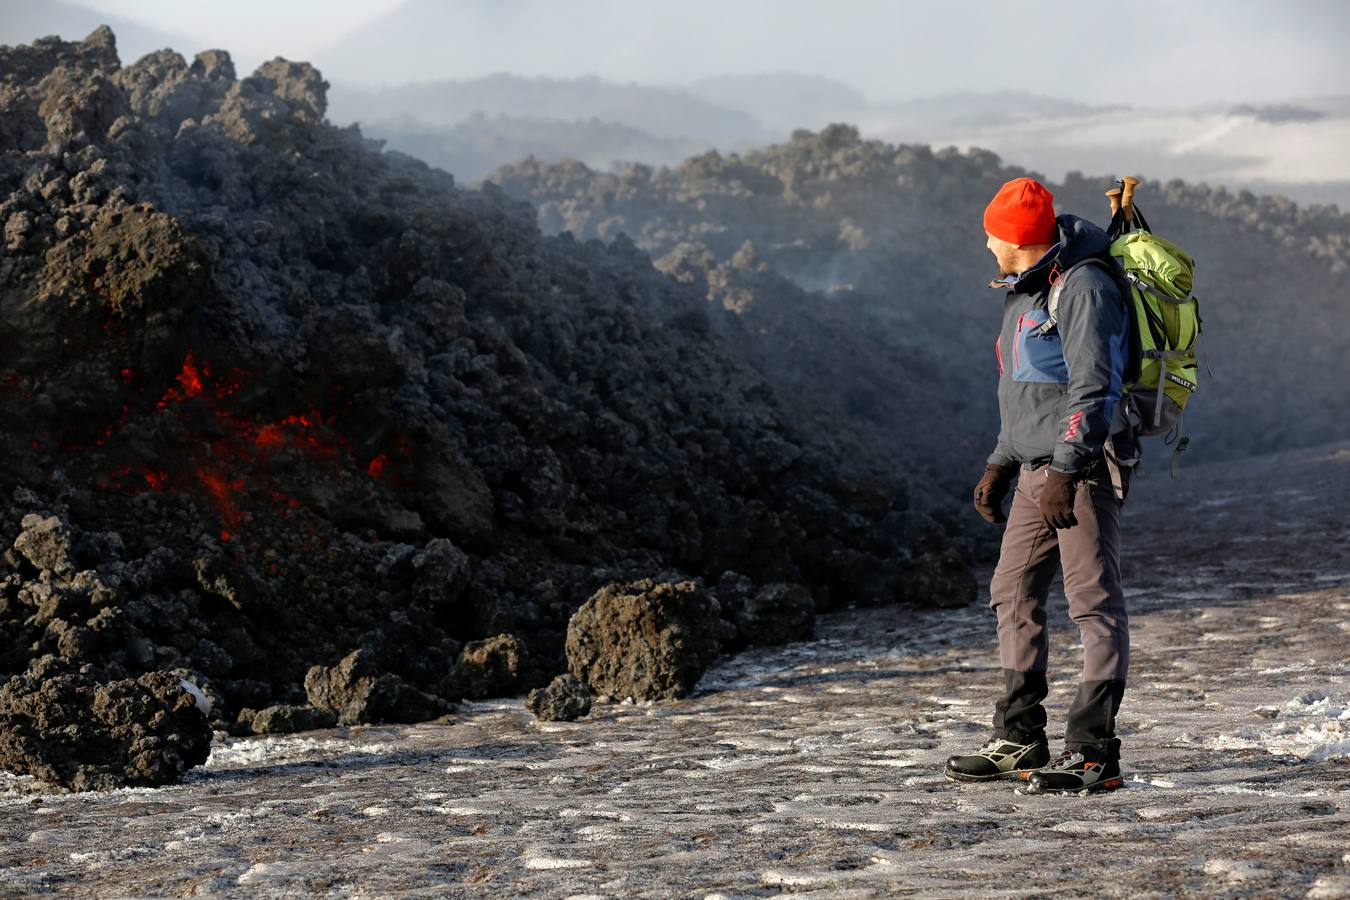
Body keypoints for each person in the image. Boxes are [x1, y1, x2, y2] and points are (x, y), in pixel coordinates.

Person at [945, 177, 1131, 793]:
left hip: (1079, 468)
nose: (986, 244)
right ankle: (1020, 738)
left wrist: (1067, 467)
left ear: (1017, 239)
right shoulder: (1025, 290)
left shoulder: (1085, 287)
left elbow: (1093, 386)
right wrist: (1001, 461)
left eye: (992, 234)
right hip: (1034, 470)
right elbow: (1025, 390)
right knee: (1012, 590)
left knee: (1092, 601)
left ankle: (1093, 755)